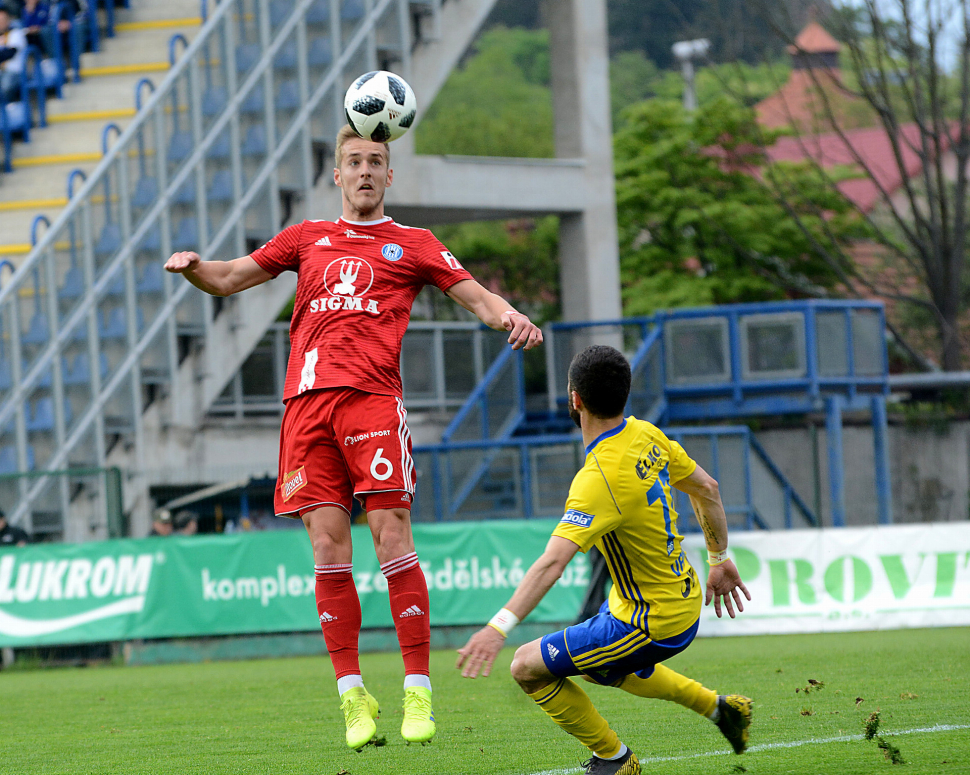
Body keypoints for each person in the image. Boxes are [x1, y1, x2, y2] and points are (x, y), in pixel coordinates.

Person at [164, 124, 543, 750]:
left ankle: (417, 688)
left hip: (371, 403)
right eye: (353, 162)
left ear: (389, 176)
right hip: (305, 410)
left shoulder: (414, 243)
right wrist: (195, 268)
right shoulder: (306, 237)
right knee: (327, 551)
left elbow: (476, 295)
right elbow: (231, 276)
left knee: (390, 530)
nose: (365, 171)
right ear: (336, 175)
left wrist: (510, 315)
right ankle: (351, 696)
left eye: (375, 161)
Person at [457, 345, 752, 775]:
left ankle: (615, 760)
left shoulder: (597, 479)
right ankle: (722, 710)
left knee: (526, 667)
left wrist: (495, 627)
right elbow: (707, 487)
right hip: (668, 598)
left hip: (651, 621)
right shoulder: (646, 434)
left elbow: (551, 565)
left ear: (573, 398)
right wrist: (720, 557)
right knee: (597, 668)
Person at [0, 5, 26, 103]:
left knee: (5, 87)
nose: (1, 22)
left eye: (3, 19)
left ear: (9, 20)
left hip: (14, 72)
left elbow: (9, 53)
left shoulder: (16, 33)